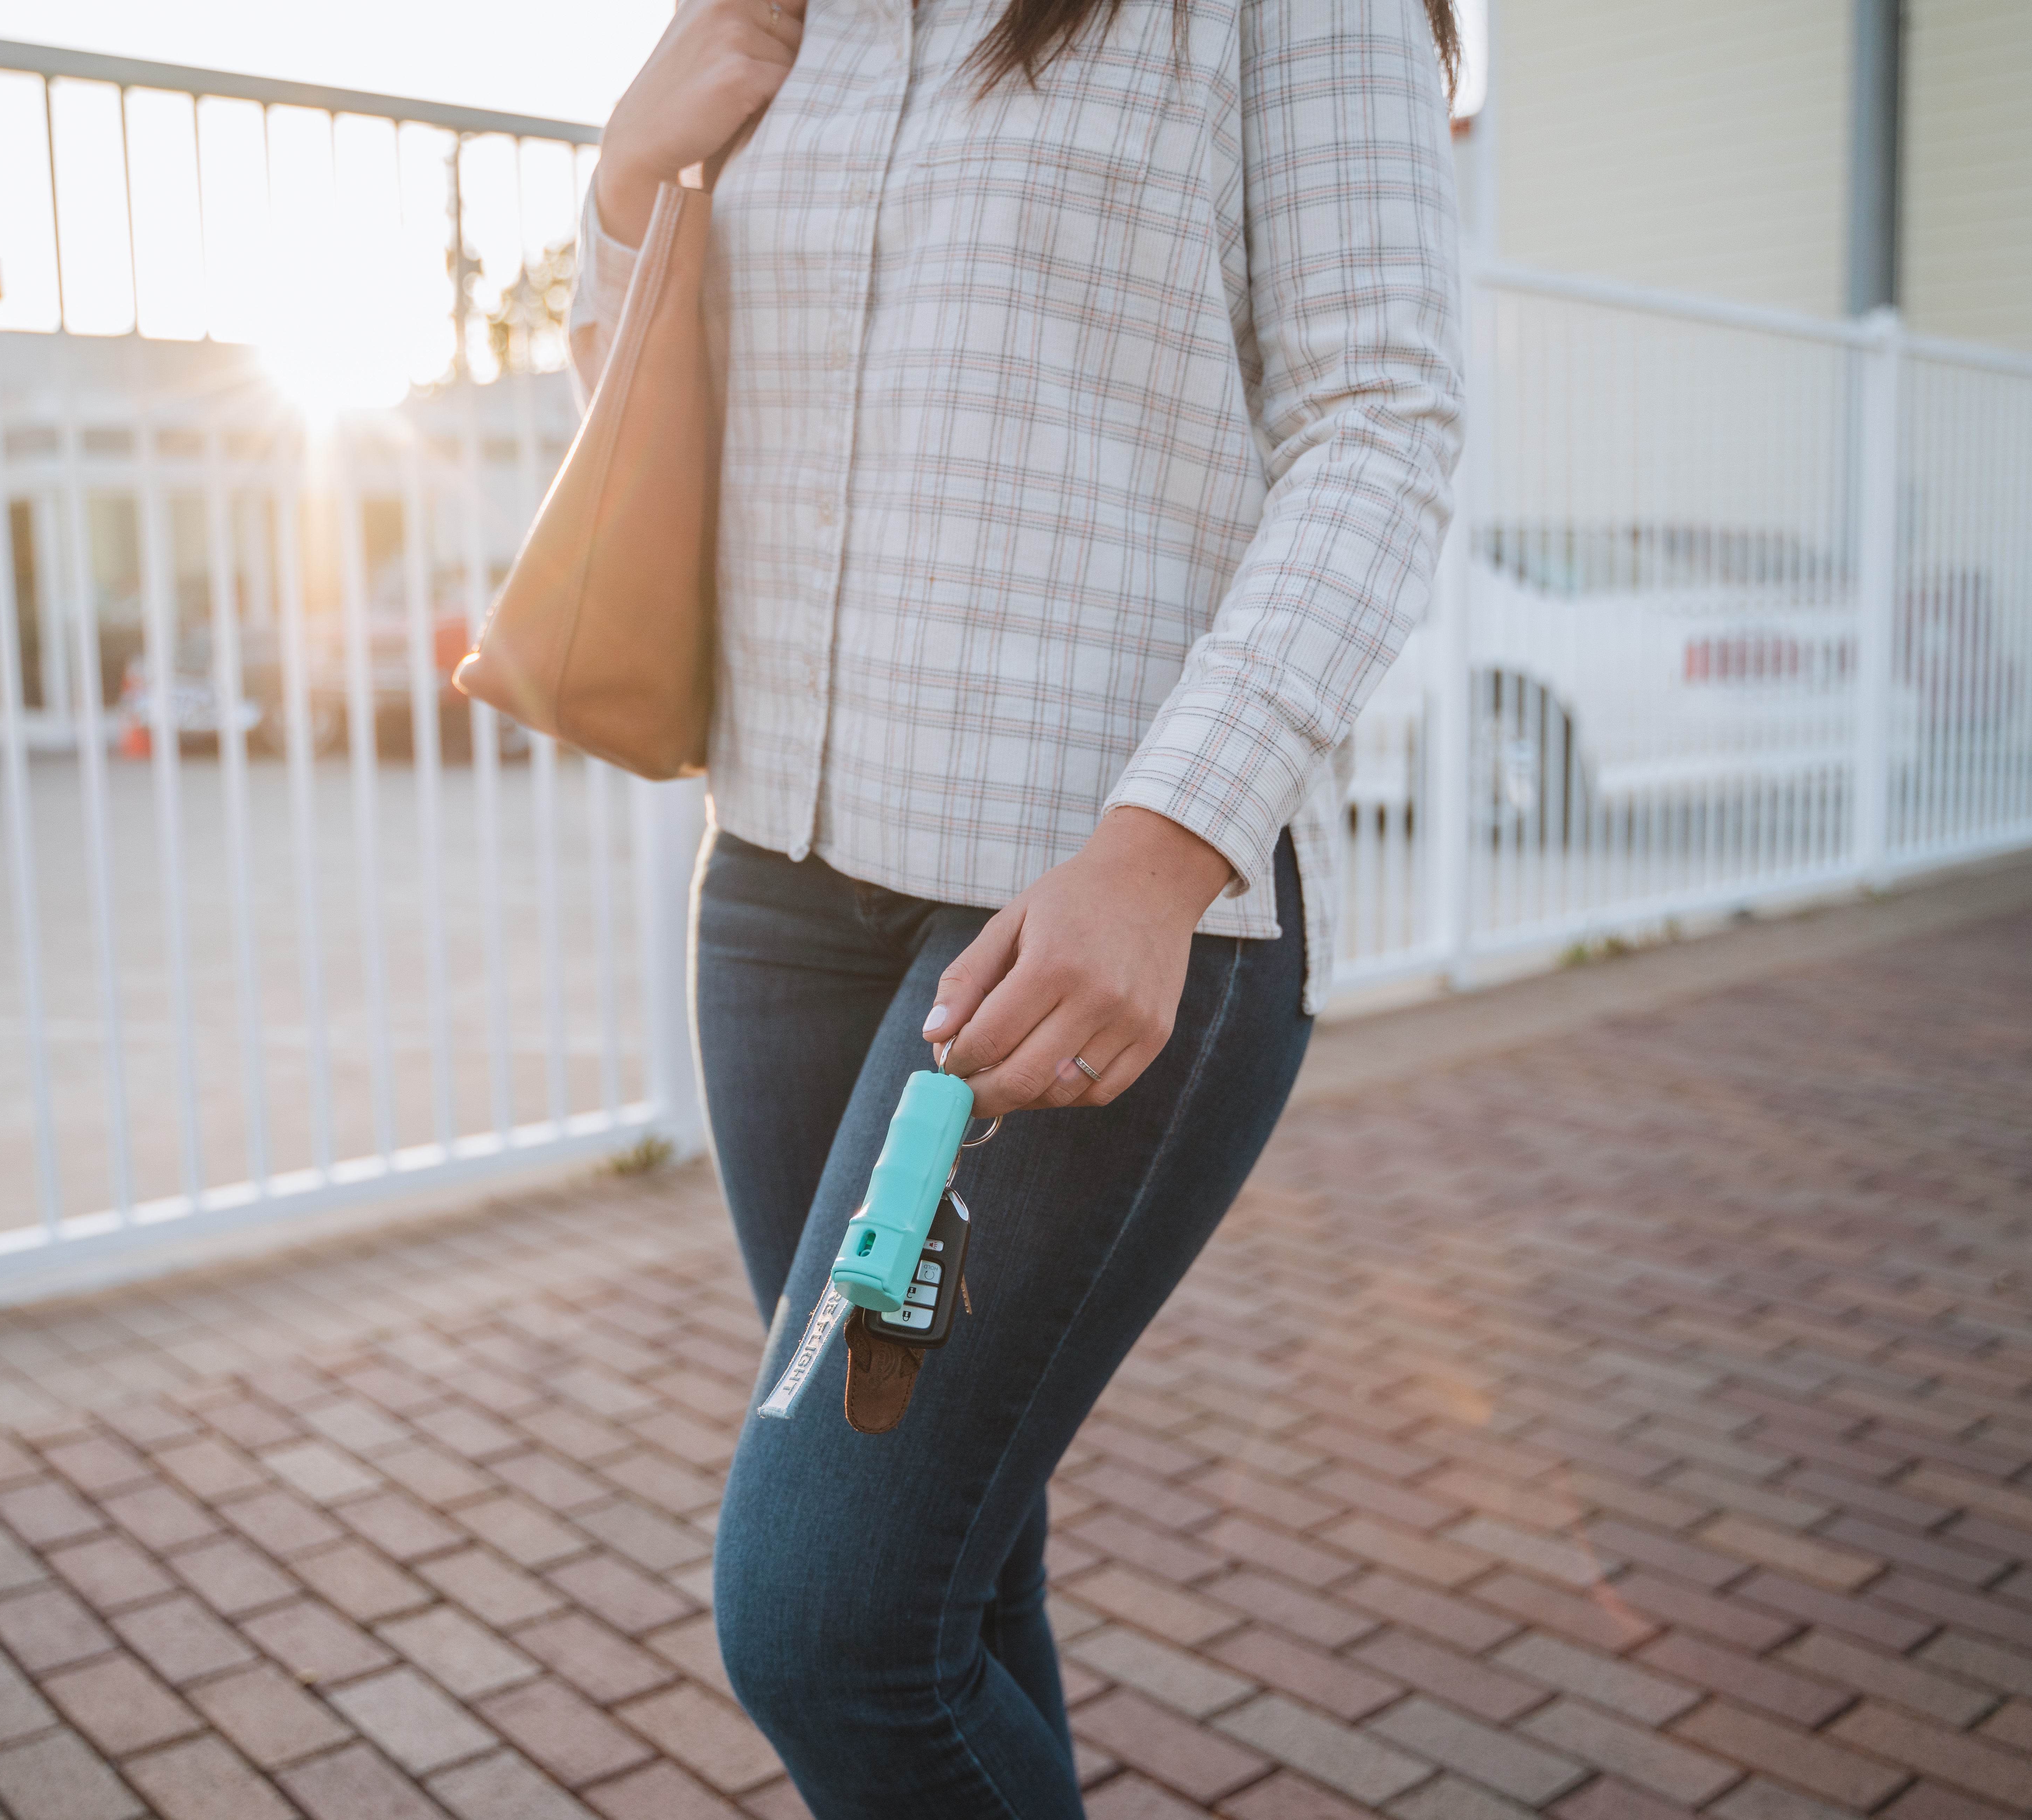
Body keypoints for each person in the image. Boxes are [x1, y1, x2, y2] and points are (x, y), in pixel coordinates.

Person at [574, 0, 1463, 1811]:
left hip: (1074, 941)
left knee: (826, 1622)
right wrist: (623, 187)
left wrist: (1165, 851)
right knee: (944, 1587)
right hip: (777, 909)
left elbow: (1381, 419)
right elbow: (651, 407)